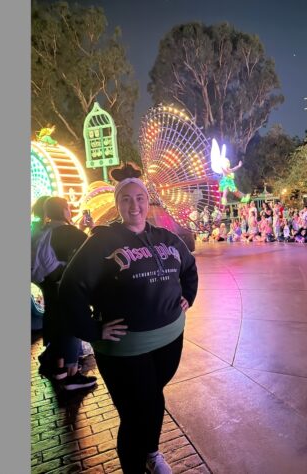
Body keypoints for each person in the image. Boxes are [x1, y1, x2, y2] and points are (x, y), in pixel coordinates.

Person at [59, 163, 198, 474]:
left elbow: (189, 267)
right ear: (117, 204)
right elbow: (70, 288)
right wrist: (92, 329)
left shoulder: (166, 237)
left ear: (147, 201)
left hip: (169, 340)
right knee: (135, 412)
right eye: (126, 199)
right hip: (125, 349)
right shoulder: (101, 241)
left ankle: (151, 452)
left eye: (140, 198)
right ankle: (136, 465)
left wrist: (188, 295)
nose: (134, 205)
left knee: (152, 400)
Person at [32, 196, 97, 390]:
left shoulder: (43, 231)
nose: (69, 211)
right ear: (62, 210)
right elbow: (91, 252)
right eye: (67, 208)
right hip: (68, 286)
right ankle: (72, 375)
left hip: (48, 286)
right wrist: (91, 229)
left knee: (56, 321)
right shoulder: (72, 233)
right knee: (71, 326)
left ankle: (59, 368)